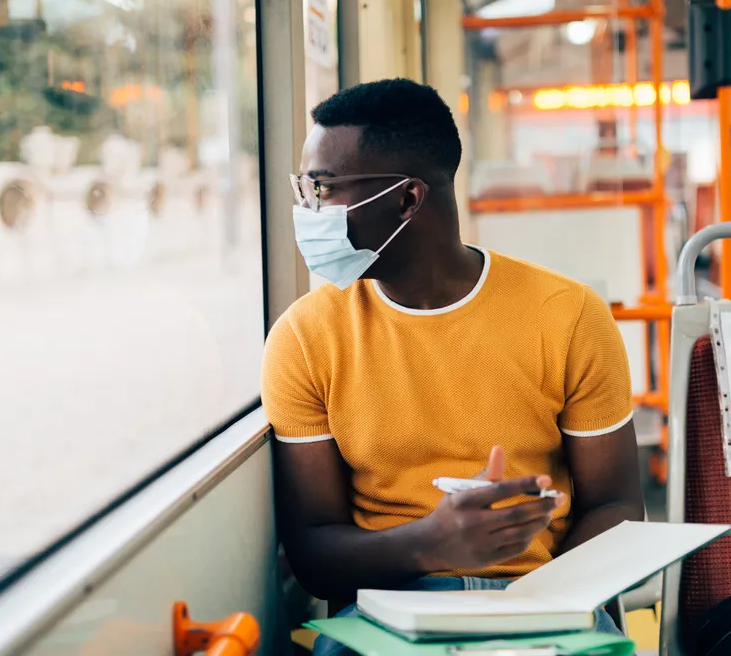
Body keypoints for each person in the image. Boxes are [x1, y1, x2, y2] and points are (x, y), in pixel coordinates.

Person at [262, 79, 645, 655]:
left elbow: (616, 504)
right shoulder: (304, 337)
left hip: (540, 601)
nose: (308, 211)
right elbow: (313, 554)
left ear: (407, 199)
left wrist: (540, 603)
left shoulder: (566, 316)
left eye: (324, 188)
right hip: (387, 608)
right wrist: (431, 546)